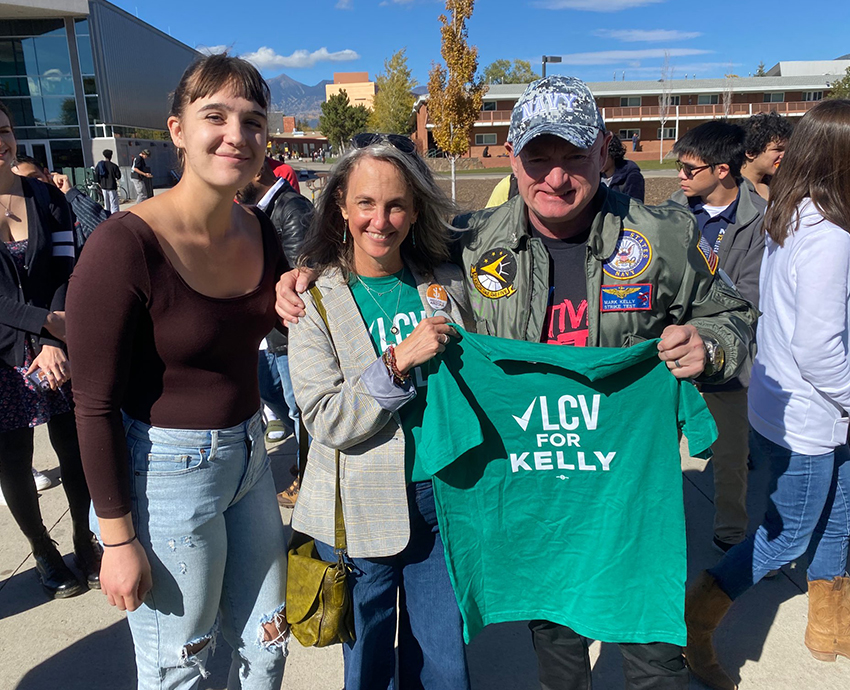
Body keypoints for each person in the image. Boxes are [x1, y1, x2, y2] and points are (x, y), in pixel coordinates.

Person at [277, 76, 757, 690]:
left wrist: (709, 344)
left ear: (602, 152)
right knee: (558, 655)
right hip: (538, 501)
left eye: (573, 157)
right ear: (513, 156)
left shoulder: (661, 236)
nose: (555, 178)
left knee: (653, 664)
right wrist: (307, 272)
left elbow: (733, 314)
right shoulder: (475, 243)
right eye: (539, 157)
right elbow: (385, 241)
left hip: (629, 501)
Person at [66, 54, 289, 688]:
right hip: (166, 477)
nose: (236, 136)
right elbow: (94, 406)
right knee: (180, 667)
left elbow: (270, 321)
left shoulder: (259, 229)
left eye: (252, 122)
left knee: (269, 644)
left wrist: (294, 290)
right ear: (177, 131)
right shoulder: (124, 246)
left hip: (249, 456)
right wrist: (116, 540)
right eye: (214, 116)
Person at [288, 132, 474, 690]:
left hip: (439, 498)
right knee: (367, 658)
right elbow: (324, 417)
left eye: (396, 204)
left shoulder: (444, 282)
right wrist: (396, 363)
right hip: (360, 507)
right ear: (341, 206)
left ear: (415, 211)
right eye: (365, 203)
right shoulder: (313, 301)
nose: (380, 219)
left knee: (446, 657)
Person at [684, 99, 850, 690]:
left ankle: (830, 630)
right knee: (786, 535)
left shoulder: (797, 214)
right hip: (813, 413)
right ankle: (696, 620)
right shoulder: (828, 235)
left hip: (791, 407)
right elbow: (818, 346)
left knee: (837, 522)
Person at [0, 101, 99, 599]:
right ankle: (42, 550)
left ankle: (85, 539)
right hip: (3, 357)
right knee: (13, 463)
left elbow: (66, 268)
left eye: (4, 131)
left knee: (77, 453)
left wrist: (53, 336)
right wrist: (43, 325)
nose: (0, 142)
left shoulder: (47, 197)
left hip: (57, 347)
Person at [669, 120, 766, 553]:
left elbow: (751, 297)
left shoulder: (759, 221)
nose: (680, 177)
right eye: (679, 167)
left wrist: (709, 333)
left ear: (723, 170)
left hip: (726, 358)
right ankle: (660, 528)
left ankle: (729, 534)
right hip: (667, 353)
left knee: (729, 455)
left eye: (689, 169)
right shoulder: (667, 213)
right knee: (656, 451)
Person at [237, 158, 314, 507]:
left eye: (240, 178)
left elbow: (299, 282)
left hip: (289, 335)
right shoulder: (257, 212)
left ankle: (309, 476)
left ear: (257, 173)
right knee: (270, 395)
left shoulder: (292, 210)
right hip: (268, 335)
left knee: (301, 411)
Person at [14, 155, 109, 248]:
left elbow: (109, 231)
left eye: (34, 178)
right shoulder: (15, 221)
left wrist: (70, 193)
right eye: (21, 182)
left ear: (46, 174)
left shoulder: (71, 209)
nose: (31, 185)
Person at [740, 111, 793, 200]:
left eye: (787, 150)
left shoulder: (779, 185)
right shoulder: (731, 189)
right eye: (778, 149)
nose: (785, 156)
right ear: (751, 152)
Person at [601, 132, 645, 201]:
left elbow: (635, 208)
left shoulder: (632, 177)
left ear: (613, 153)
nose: (598, 161)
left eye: (603, 156)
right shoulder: (595, 177)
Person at [95, 149, 122, 214]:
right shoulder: (114, 166)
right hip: (112, 186)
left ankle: (107, 214)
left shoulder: (100, 165)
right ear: (111, 156)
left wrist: (99, 183)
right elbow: (118, 176)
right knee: (114, 202)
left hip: (103, 186)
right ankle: (115, 215)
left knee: (106, 203)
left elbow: (96, 176)